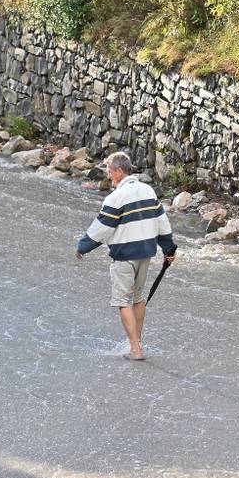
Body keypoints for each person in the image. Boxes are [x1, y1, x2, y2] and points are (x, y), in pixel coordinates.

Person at [76, 152, 176, 360]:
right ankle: (137, 343)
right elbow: (161, 221)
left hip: (124, 256)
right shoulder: (148, 190)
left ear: (120, 171)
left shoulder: (116, 197)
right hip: (146, 253)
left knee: (123, 301)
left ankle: (135, 350)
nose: (108, 174)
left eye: (109, 171)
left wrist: (83, 247)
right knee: (138, 299)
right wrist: (169, 249)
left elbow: (102, 228)